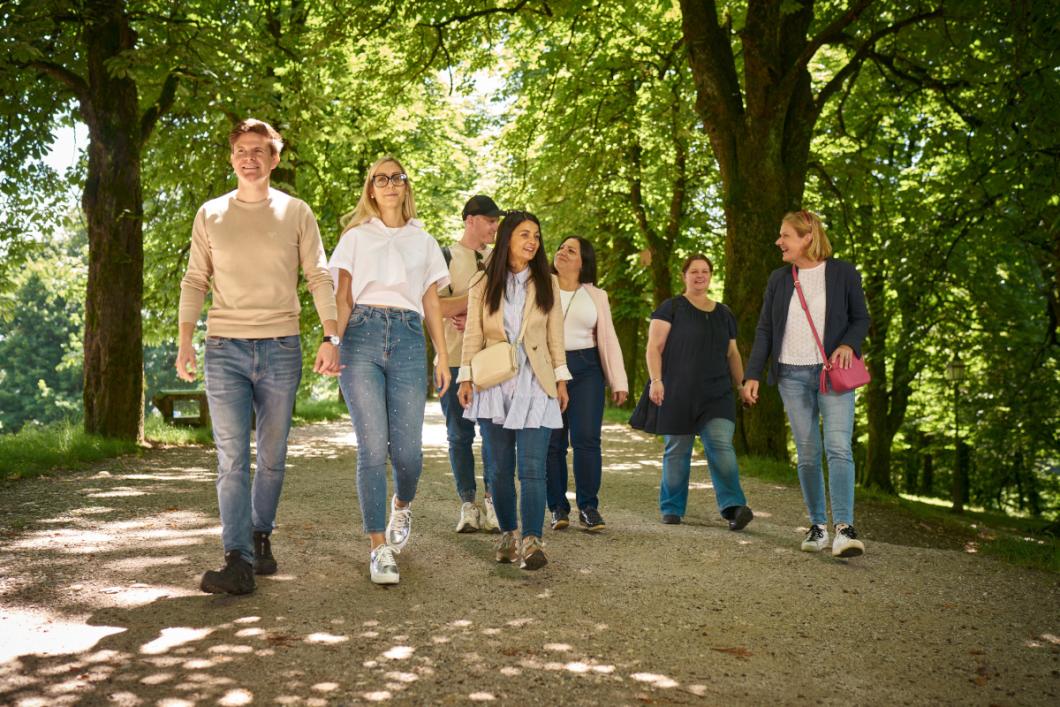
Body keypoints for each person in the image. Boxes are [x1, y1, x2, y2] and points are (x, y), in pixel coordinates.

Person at [176, 119, 340, 595]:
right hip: (224, 347)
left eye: (260, 150)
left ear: (275, 158)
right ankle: (237, 559)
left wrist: (332, 336)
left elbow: (319, 276)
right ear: (232, 158)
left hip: (281, 347)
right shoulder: (210, 214)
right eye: (242, 150)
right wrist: (186, 340)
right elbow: (194, 280)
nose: (250, 157)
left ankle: (259, 535)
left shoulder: (297, 212)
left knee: (271, 456)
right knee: (231, 458)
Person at [328, 156, 451, 585]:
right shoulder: (355, 237)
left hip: (408, 337)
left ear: (405, 186)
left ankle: (402, 504)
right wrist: (333, 341)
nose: (390, 184)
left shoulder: (425, 241)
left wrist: (443, 354)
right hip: (360, 334)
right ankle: (378, 548)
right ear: (371, 189)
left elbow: (432, 302)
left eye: (396, 177)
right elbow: (342, 298)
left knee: (409, 453)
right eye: (381, 179)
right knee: (372, 447)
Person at [741, 210, 870, 558]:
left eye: (785, 235)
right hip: (791, 376)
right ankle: (818, 526)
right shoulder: (779, 279)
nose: (778, 241)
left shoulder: (842, 272)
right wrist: (752, 374)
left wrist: (847, 344)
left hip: (833, 373)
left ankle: (844, 528)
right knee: (809, 453)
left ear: (807, 237)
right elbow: (765, 329)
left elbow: (861, 318)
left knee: (839, 448)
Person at [457, 211, 570, 570]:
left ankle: (533, 540)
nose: (532, 241)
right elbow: (473, 334)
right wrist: (465, 377)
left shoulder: (547, 283)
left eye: (536, 235)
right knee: (500, 469)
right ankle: (508, 533)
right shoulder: (482, 282)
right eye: (524, 234)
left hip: (537, 380)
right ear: (507, 238)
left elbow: (555, 336)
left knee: (533, 467)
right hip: (494, 382)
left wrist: (561, 379)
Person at [630, 254, 753, 530]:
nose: (700, 276)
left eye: (705, 271)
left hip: (717, 393)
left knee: (721, 445)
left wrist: (742, 385)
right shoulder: (671, 307)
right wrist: (656, 380)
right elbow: (654, 347)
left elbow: (732, 353)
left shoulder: (725, 313)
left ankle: (733, 507)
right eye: (694, 271)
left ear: (711, 276)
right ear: (684, 275)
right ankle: (672, 507)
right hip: (678, 389)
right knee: (677, 448)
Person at [545, 237, 629, 532]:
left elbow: (608, 339)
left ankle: (589, 507)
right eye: (561, 248)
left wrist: (618, 380)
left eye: (572, 250)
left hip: (587, 368)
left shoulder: (597, 295)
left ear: (584, 262)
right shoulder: (540, 286)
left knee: (587, 439)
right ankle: (557, 507)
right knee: (553, 442)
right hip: (549, 367)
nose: (563, 252)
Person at [437, 195, 502, 534]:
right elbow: (436, 308)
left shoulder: (501, 259)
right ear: (470, 220)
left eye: (496, 221)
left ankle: (493, 503)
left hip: (492, 363)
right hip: (451, 361)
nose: (495, 227)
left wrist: (474, 313)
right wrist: (475, 300)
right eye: (490, 221)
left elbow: (508, 307)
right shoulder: (445, 256)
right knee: (458, 436)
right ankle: (467, 505)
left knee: (494, 434)